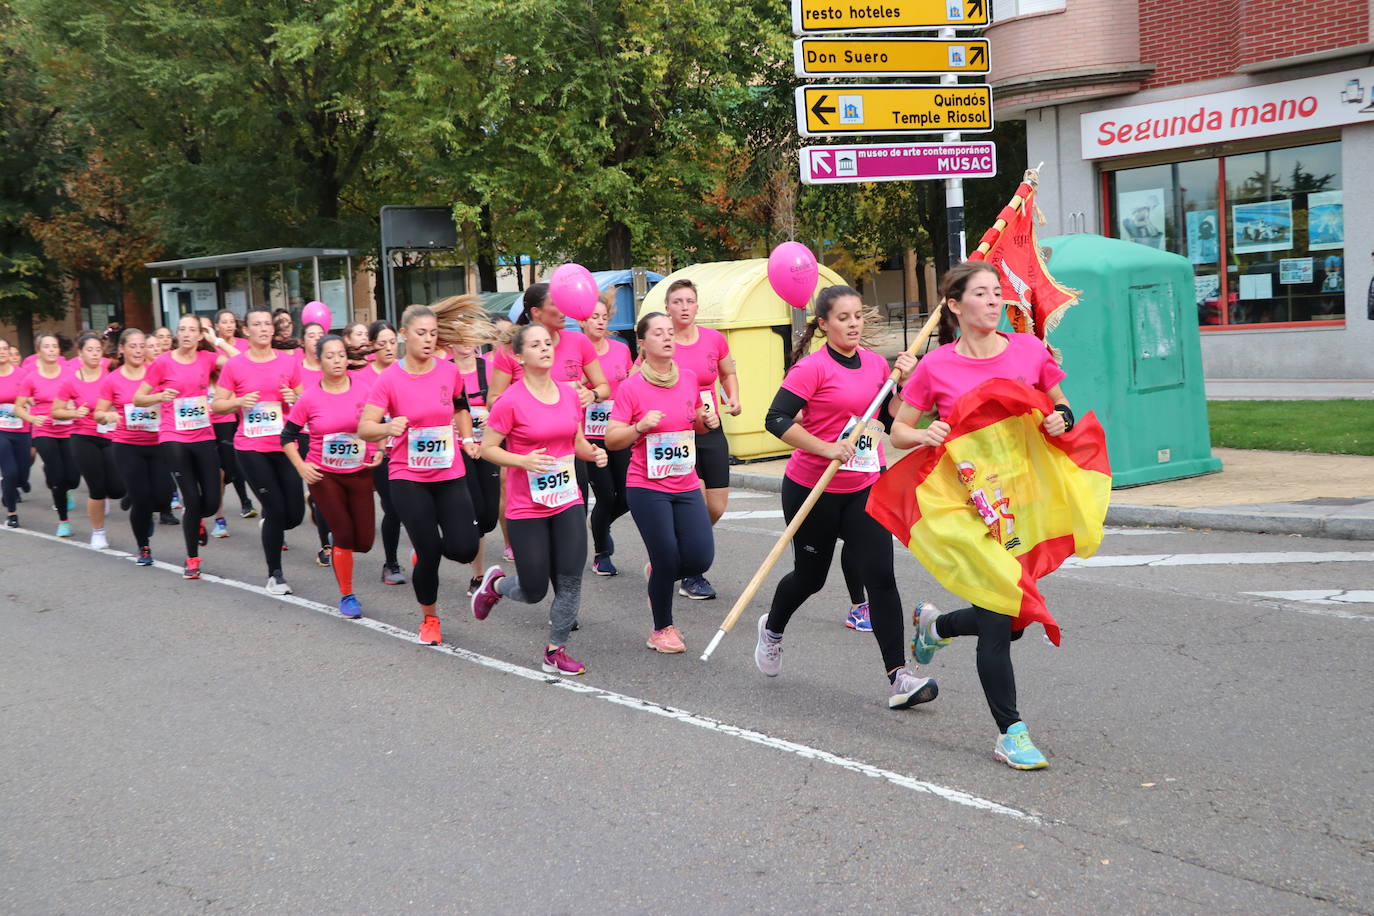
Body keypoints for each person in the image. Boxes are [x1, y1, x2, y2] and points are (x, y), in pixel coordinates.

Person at [892, 261, 1073, 770]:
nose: (995, 301)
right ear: (954, 305)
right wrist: (923, 434)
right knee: (998, 619)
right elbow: (899, 431)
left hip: (1021, 503)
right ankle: (1010, 732)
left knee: (1012, 621)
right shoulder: (935, 367)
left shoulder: (1029, 351)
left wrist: (1060, 419)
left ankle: (937, 627)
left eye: (998, 293)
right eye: (982, 294)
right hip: (966, 505)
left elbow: (1062, 407)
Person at [753, 285, 935, 710]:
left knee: (881, 577)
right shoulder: (811, 369)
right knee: (810, 578)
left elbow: (891, 423)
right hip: (812, 488)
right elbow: (774, 418)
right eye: (843, 317)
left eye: (858, 316)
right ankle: (772, 629)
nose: (853, 324)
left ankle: (899, 677)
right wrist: (825, 447)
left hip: (863, 487)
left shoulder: (876, 365)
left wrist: (905, 384)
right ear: (824, 324)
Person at [470, 323, 606, 675]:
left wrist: (594, 454)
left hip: (567, 498)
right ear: (519, 355)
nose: (545, 348)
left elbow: (574, 443)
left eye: (548, 343)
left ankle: (555, 649)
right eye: (535, 344)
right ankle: (496, 585)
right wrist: (522, 461)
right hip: (526, 505)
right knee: (532, 590)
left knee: (572, 576)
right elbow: (487, 449)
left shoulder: (569, 394)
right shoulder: (510, 401)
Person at [358, 304, 481, 646]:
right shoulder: (388, 379)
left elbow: (461, 407)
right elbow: (364, 428)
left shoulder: (448, 371)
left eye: (432, 334)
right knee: (429, 552)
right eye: (421, 333)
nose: (428, 340)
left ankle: (427, 549)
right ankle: (429, 618)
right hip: (407, 476)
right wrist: (386, 425)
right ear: (404, 335)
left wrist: (468, 439)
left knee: (464, 549)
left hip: (449, 469)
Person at [603, 311, 715, 653]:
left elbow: (693, 421)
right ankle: (661, 629)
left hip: (684, 481)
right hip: (647, 485)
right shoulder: (632, 387)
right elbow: (612, 438)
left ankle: (659, 573)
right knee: (667, 555)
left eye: (671, 332)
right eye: (658, 333)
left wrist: (705, 421)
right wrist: (639, 427)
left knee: (700, 558)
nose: (667, 337)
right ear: (642, 343)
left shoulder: (690, 377)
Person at [284, 334, 381, 618]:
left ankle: (318, 509)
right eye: (330, 356)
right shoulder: (310, 398)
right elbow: (287, 436)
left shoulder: (364, 390)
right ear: (319, 360)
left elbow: (378, 424)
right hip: (324, 474)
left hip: (360, 471)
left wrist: (378, 449)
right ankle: (347, 595)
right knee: (344, 535)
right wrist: (301, 466)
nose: (337, 360)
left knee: (364, 541)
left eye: (341, 355)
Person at [212, 306, 304, 594]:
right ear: (247, 331)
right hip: (251, 447)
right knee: (276, 510)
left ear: (273, 330)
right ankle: (275, 574)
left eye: (267, 324)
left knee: (294, 516)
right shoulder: (235, 365)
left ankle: (271, 521)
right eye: (257, 324)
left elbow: (307, 399)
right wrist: (239, 402)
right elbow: (217, 404)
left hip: (285, 445)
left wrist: (295, 397)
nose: (263, 329)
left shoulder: (288, 363)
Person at [135, 314, 232, 578]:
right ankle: (192, 558)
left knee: (211, 502)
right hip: (173, 436)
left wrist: (217, 340)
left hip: (203, 435)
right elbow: (138, 398)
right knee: (191, 497)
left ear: (200, 335)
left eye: (192, 330)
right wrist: (159, 395)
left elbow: (240, 362)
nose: (186, 334)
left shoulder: (207, 358)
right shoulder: (162, 363)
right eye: (182, 329)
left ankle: (199, 519)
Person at [662, 278, 740, 600]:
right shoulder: (662, 341)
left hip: (712, 428)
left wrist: (733, 398)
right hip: (677, 435)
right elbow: (641, 381)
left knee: (716, 506)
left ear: (697, 306)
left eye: (689, 301)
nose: (684, 307)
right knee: (693, 504)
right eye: (677, 302)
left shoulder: (714, 340)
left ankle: (680, 550)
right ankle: (691, 573)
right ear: (667, 308)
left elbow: (727, 374)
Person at [95, 329, 168, 565]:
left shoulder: (156, 373)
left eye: (141, 346)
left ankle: (147, 513)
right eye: (133, 346)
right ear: (123, 349)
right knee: (141, 500)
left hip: (158, 443)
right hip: (127, 445)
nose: (138, 350)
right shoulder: (113, 379)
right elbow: (99, 412)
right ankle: (143, 546)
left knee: (162, 497)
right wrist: (107, 417)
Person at [54, 332, 126, 549]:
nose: (95, 354)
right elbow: (56, 411)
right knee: (96, 488)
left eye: (97, 349)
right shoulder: (71, 381)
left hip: (111, 435)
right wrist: (73, 413)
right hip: (83, 436)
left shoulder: (110, 374)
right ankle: (98, 532)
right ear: (80, 354)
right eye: (90, 350)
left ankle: (106, 498)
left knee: (116, 489)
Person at [580, 294, 634, 576]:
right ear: (581, 320)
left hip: (620, 430)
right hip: (589, 435)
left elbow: (629, 385)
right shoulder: (576, 352)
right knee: (605, 497)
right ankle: (602, 553)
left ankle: (600, 523)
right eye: (594, 317)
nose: (600, 322)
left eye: (604, 317)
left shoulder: (620, 349)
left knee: (627, 496)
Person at [13, 333, 79, 537]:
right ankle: (63, 521)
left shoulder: (69, 374)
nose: (51, 350)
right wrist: (32, 419)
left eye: (54, 346)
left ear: (59, 350)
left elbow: (80, 396)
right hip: (44, 430)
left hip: (69, 429)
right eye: (47, 346)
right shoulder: (31, 378)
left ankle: (65, 487)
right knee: (58, 478)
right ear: (39, 351)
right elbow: (18, 407)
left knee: (73, 479)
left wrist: (75, 407)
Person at [450, 340, 500, 594]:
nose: (467, 343)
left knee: (489, 517)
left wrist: (493, 415)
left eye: (470, 337)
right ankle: (478, 576)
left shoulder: (489, 368)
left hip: (487, 446)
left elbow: (504, 400)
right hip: (455, 452)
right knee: (475, 511)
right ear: (450, 342)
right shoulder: (444, 370)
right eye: (460, 337)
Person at [359, 320, 406, 585]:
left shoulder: (405, 370)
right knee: (393, 508)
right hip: (379, 452)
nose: (389, 348)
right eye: (382, 344)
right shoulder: (363, 376)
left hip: (410, 450)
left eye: (392, 342)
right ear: (372, 347)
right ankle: (390, 563)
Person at [209, 310, 255, 529]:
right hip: (216, 414)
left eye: (231, 321)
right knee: (218, 470)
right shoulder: (210, 349)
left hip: (243, 414)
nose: (228, 325)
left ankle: (247, 501)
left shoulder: (242, 345)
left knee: (234, 467)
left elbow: (241, 362)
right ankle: (218, 517)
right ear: (216, 325)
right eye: (223, 322)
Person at [296, 321, 333, 567]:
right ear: (303, 342)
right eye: (311, 335)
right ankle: (325, 545)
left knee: (332, 492)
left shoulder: (334, 366)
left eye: (321, 335)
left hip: (332, 436)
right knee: (321, 493)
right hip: (304, 434)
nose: (317, 339)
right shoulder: (294, 368)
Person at [0, 338, 34, 529]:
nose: (2, 352)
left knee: (21, 475)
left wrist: (29, 401)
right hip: (1, 430)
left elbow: (31, 394)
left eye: (5, 349)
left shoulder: (22, 374)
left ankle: (9, 489)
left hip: (21, 429)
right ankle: (12, 513)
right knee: (10, 472)